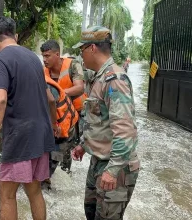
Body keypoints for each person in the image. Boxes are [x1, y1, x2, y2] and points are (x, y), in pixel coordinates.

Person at [0, 16, 57, 220]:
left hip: (21, 136)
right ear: (15, 36)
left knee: (6, 193)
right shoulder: (33, 58)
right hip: (40, 135)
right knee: (34, 191)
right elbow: (50, 99)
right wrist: (53, 125)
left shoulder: (0, 58)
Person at [71, 26, 140, 220]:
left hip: (115, 168)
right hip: (99, 161)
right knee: (91, 213)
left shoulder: (114, 80)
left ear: (92, 48)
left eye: (81, 50)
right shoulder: (98, 78)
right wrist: (84, 145)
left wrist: (112, 169)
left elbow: (125, 131)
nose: (80, 55)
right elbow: (100, 121)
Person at [41, 40, 87, 171]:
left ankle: (65, 172)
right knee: (52, 151)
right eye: (43, 56)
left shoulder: (73, 65)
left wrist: (59, 94)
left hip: (75, 115)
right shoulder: (44, 71)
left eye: (47, 56)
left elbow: (80, 88)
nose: (44, 59)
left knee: (67, 149)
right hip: (55, 116)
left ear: (57, 54)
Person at [43, 74, 79, 189]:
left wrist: (53, 125)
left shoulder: (46, 85)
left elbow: (51, 101)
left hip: (64, 129)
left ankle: (50, 186)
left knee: (54, 158)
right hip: (55, 127)